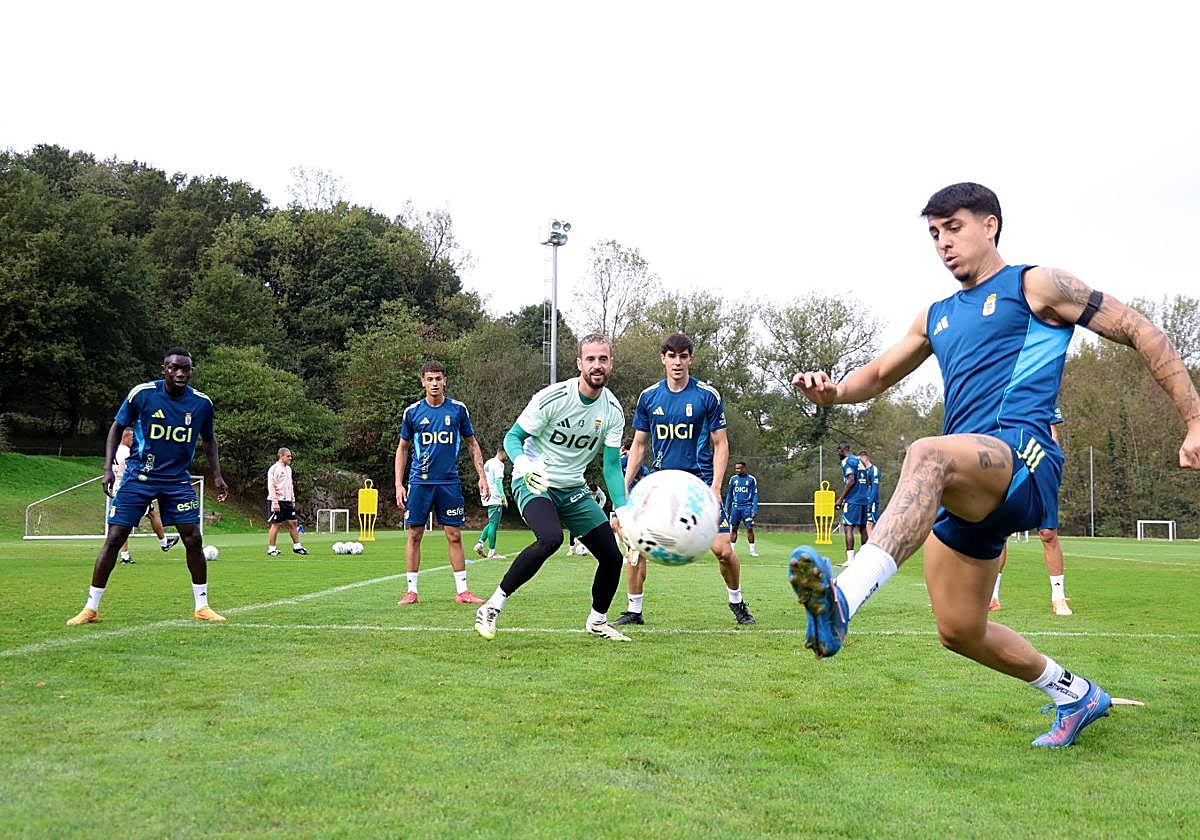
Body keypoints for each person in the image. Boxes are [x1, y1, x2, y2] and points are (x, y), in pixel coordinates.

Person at [789, 182, 1200, 747]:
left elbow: (1138, 328)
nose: (943, 243)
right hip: (968, 482)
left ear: (990, 225)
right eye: (934, 233)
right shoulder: (935, 316)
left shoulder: (1035, 285)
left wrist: (1194, 419)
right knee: (959, 629)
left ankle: (843, 598)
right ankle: (1076, 694)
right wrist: (832, 393)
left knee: (927, 452)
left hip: (1025, 457)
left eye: (954, 227)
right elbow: (879, 375)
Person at [474, 333, 630, 641]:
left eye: (603, 359)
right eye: (590, 359)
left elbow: (612, 466)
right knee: (550, 538)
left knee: (612, 556)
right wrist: (524, 464)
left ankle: (598, 621)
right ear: (579, 363)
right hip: (535, 481)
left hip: (573, 488)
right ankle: (491, 607)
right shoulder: (554, 397)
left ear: (611, 363)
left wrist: (622, 509)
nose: (597, 365)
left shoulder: (612, 411)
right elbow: (512, 438)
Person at [67, 347, 230, 626]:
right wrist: (107, 468)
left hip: (177, 479)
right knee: (115, 537)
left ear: (191, 371)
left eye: (186, 368)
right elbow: (117, 428)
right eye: (174, 368)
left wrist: (217, 474)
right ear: (164, 369)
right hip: (139, 476)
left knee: (193, 538)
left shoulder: (201, 403)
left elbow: (209, 439)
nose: (180, 373)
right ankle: (90, 608)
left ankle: (202, 606)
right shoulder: (142, 394)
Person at [616, 332, 756, 627]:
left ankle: (737, 603)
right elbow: (639, 445)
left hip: (699, 484)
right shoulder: (649, 397)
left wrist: (715, 486)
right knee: (636, 545)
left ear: (690, 359)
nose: (677, 362)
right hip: (661, 485)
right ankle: (634, 610)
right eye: (671, 356)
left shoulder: (707, 396)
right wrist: (625, 488)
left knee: (723, 550)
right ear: (663, 359)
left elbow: (721, 443)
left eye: (683, 356)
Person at [395, 361, 488, 606]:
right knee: (415, 534)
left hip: (449, 482)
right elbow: (402, 448)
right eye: (430, 379)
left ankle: (463, 592)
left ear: (445, 380)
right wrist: (398, 484)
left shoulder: (458, 410)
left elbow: (472, 443)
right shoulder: (412, 412)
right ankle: (411, 591)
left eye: (438, 379)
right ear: (423, 382)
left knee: (454, 535)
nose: (434, 383)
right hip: (420, 482)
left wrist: (482, 475)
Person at [989, 406, 1072, 615]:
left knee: (1048, 533)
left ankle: (1058, 598)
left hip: (1041, 463)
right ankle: (991, 596)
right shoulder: (997, 395)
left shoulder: (1042, 394)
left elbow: (1053, 435)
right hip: (1008, 463)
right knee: (999, 531)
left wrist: (1052, 466)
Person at [112, 427, 180, 564]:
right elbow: (134, 469)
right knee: (150, 515)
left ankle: (125, 556)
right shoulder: (127, 452)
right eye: (133, 438)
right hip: (130, 488)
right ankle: (164, 543)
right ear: (126, 437)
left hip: (118, 487)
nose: (134, 441)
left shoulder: (116, 450)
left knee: (125, 520)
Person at [266, 447, 308, 556]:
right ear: (281, 456)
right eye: (288, 456)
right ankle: (271, 549)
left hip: (287, 501)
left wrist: (292, 499)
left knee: (293, 522)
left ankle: (297, 547)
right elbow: (271, 486)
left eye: (290, 456)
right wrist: (275, 502)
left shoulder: (289, 469)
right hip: (277, 500)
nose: (290, 458)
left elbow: (290, 485)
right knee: (276, 524)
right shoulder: (274, 469)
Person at [835, 442, 870, 565]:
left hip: (853, 500)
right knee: (863, 528)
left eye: (838, 451)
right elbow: (868, 479)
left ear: (842, 450)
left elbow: (851, 480)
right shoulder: (859, 461)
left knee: (848, 527)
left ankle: (850, 560)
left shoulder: (847, 461)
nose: (838, 454)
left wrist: (841, 498)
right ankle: (865, 558)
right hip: (864, 498)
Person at [474, 448, 508, 559]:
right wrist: (503, 496)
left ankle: (480, 544)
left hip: (486, 494)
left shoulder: (489, 462)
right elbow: (498, 481)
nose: (507, 457)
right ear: (501, 452)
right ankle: (492, 552)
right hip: (494, 496)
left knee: (492, 522)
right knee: (494, 524)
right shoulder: (498, 464)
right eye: (506, 454)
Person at [724, 460, 759, 557]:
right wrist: (726, 508)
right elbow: (729, 494)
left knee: (749, 528)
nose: (737, 470)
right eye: (736, 468)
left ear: (744, 468)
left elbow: (755, 495)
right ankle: (731, 551)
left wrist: (754, 509)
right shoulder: (733, 479)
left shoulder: (751, 479)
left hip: (747, 507)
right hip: (735, 507)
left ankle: (752, 551)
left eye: (739, 468)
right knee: (734, 528)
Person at [858, 450, 881, 541]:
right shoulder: (862, 471)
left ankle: (872, 543)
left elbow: (875, 489)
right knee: (864, 525)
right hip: (863, 501)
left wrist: (870, 504)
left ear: (865, 458)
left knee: (869, 524)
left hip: (871, 502)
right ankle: (870, 543)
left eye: (860, 460)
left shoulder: (874, 470)